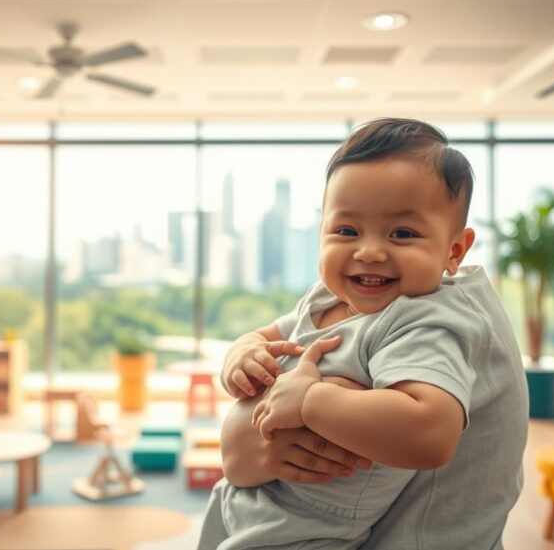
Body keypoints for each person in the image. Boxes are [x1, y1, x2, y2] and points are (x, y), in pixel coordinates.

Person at [197, 118, 528, 550]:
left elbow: (431, 431)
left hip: (310, 534)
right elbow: (267, 335)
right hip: (242, 506)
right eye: (347, 231)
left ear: (454, 251)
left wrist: (312, 401)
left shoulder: (424, 322)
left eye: (403, 233)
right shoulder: (324, 297)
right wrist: (242, 352)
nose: (369, 251)